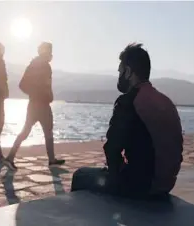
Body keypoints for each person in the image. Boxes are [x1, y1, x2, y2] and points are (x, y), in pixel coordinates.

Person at [71, 43, 184, 198]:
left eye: (120, 71)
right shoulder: (166, 101)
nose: (119, 76)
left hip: (140, 187)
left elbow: (112, 149)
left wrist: (117, 175)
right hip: (166, 185)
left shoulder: (129, 101)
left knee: (80, 175)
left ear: (128, 72)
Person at [4, 42, 65, 170]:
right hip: (39, 104)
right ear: (45, 52)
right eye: (50, 51)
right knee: (42, 132)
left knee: (33, 131)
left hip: (37, 103)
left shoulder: (39, 65)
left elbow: (41, 85)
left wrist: (42, 95)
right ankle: (50, 160)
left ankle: (11, 157)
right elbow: (22, 85)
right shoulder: (40, 66)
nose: (51, 54)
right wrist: (37, 94)